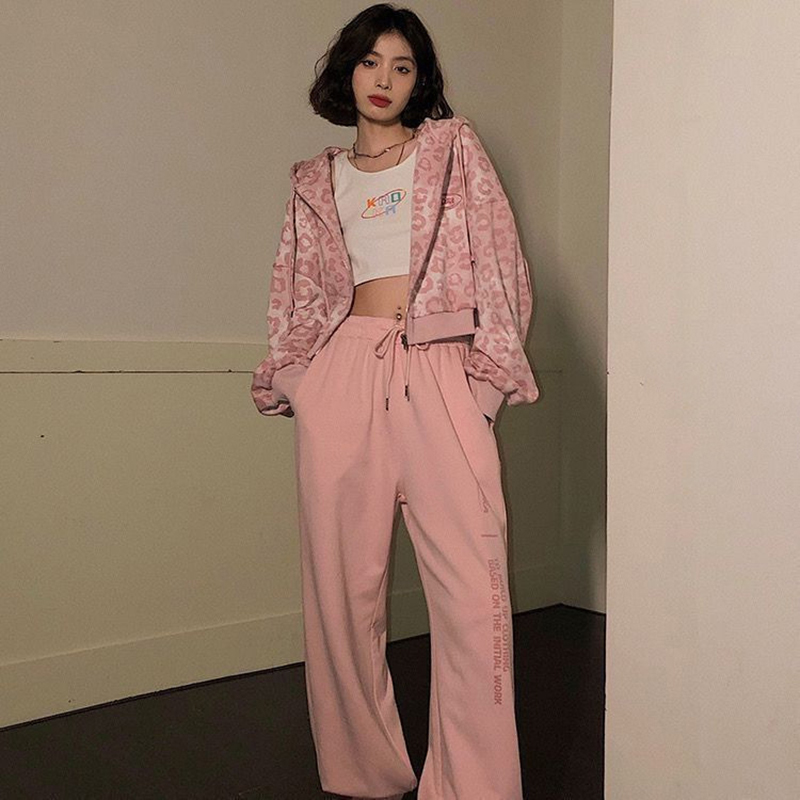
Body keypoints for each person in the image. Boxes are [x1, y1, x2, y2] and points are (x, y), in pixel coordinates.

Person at [251, 4, 540, 798]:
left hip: (441, 372)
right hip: (343, 376)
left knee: (475, 599)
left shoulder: (453, 150)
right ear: (347, 72)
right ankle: (363, 773)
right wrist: (301, 382)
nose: (384, 79)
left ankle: (475, 785)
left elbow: (502, 264)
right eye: (370, 62)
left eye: (403, 66)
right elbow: (296, 289)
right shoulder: (314, 180)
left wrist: (483, 388)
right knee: (340, 596)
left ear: (421, 81)